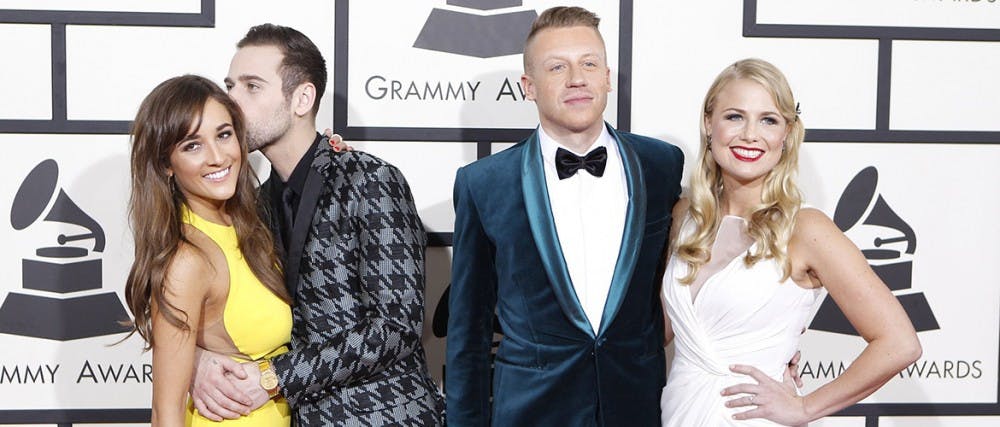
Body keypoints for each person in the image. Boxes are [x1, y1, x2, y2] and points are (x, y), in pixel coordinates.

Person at [187, 24, 445, 425]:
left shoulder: (370, 180)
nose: (231, 101)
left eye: (251, 87)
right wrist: (195, 357)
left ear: (302, 98)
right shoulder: (249, 205)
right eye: (230, 86)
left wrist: (274, 378)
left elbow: (396, 325)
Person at [447, 7, 684, 426]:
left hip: (638, 406)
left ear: (607, 77)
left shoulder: (661, 165)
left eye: (589, 64)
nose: (577, 78)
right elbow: (468, 333)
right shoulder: (483, 183)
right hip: (531, 412)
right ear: (529, 86)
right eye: (557, 67)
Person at [658, 58, 922, 426]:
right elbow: (658, 335)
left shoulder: (806, 229)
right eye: (735, 116)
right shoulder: (686, 216)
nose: (750, 134)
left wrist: (805, 408)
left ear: (786, 133)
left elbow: (900, 343)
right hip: (678, 410)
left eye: (769, 120)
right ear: (708, 123)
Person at [124, 74, 292, 426]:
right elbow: (165, 413)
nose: (217, 157)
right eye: (192, 146)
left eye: (224, 134)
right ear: (166, 164)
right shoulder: (187, 260)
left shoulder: (252, 225)